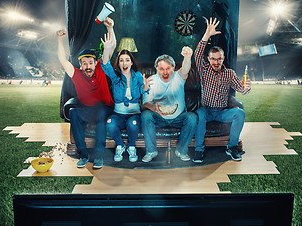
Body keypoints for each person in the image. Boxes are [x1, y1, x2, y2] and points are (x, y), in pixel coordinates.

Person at [56, 17, 115, 169]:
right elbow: (63, 60)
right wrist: (60, 40)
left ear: (95, 63)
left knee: (101, 110)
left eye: (90, 63)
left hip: (105, 108)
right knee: (75, 113)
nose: (88, 66)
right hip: (88, 110)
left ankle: (99, 156)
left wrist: (110, 29)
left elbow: (111, 48)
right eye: (84, 64)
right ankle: (83, 154)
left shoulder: (102, 68)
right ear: (80, 65)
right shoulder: (76, 74)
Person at [193, 17, 251, 163]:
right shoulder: (204, 69)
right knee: (199, 114)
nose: (216, 62)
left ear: (223, 58)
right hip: (206, 110)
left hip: (222, 113)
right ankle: (198, 150)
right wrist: (207, 35)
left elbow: (241, 89)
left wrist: (247, 88)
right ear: (209, 59)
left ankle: (231, 147)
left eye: (219, 59)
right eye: (213, 59)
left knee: (240, 113)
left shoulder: (229, 73)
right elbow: (197, 54)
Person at [141, 47, 198, 163]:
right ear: (156, 69)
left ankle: (181, 151)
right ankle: (151, 151)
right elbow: (146, 102)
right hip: (159, 117)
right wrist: (154, 108)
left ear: (174, 68)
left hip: (178, 117)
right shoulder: (151, 80)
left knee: (192, 117)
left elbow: (186, 68)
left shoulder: (179, 76)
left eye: (168, 68)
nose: (165, 72)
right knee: (145, 115)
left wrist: (187, 57)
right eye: (161, 69)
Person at [100, 33, 151, 162]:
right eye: (121, 60)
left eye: (127, 60)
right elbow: (105, 65)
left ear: (131, 62)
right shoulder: (116, 78)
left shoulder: (138, 76)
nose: (124, 63)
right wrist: (106, 49)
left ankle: (132, 148)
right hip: (118, 114)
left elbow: (142, 91)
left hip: (134, 114)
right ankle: (120, 146)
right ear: (119, 63)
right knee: (110, 123)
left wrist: (145, 88)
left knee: (132, 123)